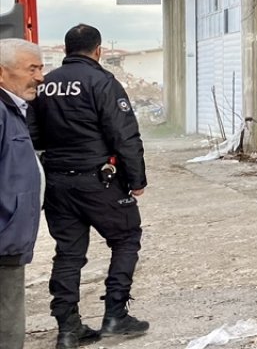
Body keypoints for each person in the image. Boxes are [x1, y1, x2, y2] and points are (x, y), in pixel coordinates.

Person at [32, 25, 149, 347]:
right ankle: (116, 315)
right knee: (126, 238)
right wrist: (136, 179)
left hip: (57, 182)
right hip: (98, 181)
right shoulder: (102, 82)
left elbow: (34, 134)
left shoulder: (46, 84)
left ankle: (68, 329)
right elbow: (123, 134)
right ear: (98, 50)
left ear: (68, 49)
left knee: (68, 254)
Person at [0, 39, 44, 349]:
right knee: (7, 327)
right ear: (2, 73)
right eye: (32, 68)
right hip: (3, 241)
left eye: (40, 68)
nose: (40, 77)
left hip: (9, 240)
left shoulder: (12, 109)